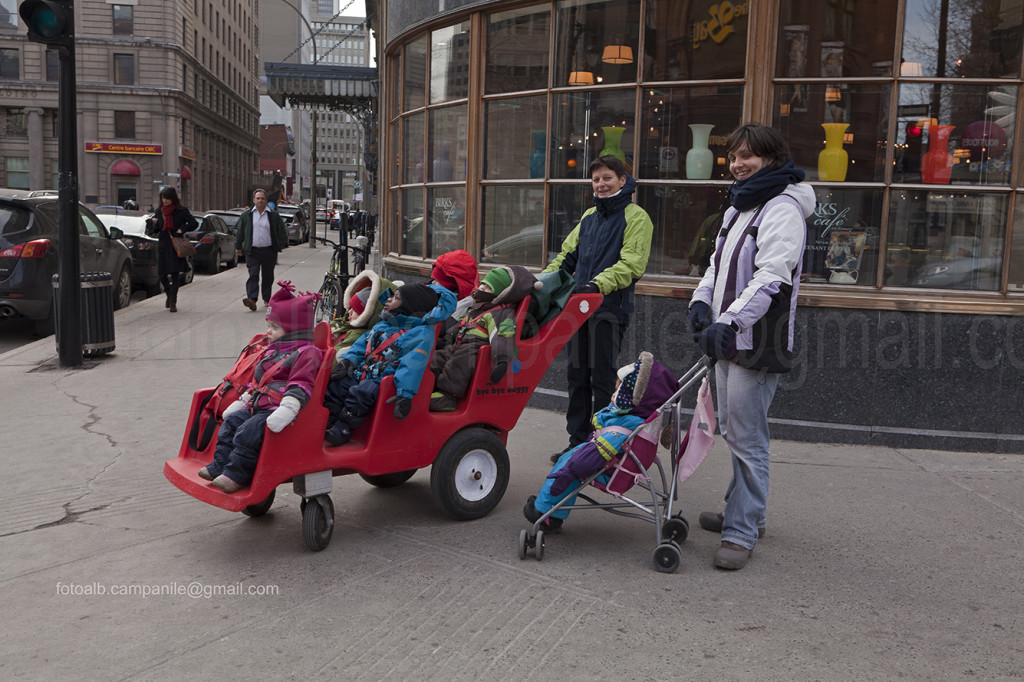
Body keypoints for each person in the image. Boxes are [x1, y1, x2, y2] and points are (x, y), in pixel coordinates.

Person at [687, 123, 816, 570]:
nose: (738, 164)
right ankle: (745, 512)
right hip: (726, 337)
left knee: (747, 439)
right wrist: (702, 302)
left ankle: (741, 532)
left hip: (757, 341)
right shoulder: (741, 205)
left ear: (772, 158)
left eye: (749, 156)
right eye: (734, 156)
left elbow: (771, 277)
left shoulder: (782, 208)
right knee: (735, 431)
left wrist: (729, 321)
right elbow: (716, 264)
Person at [542, 155, 653, 463]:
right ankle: (577, 441)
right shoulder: (589, 216)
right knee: (577, 376)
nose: (601, 185)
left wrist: (596, 285)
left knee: (601, 378)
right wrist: (544, 283)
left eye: (607, 178)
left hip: (609, 308)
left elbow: (632, 263)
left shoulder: (636, 216)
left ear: (622, 180)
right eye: (596, 180)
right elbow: (566, 258)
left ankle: (601, 445)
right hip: (577, 309)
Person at [523, 352, 678, 530]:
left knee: (565, 469)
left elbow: (591, 457)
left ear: (628, 396)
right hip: (613, 460)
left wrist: (574, 466)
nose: (613, 395)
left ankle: (543, 511)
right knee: (568, 466)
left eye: (618, 391)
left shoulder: (623, 429)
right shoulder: (636, 419)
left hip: (606, 469)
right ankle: (555, 513)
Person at [198, 281, 323, 493]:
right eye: (269, 326)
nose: (269, 332)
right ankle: (220, 465)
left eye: (275, 327)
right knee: (232, 422)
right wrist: (243, 401)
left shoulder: (306, 353)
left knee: (249, 430)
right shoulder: (272, 351)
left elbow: (301, 383)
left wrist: (288, 409)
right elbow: (258, 381)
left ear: (293, 329)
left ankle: (236, 474)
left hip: (278, 410)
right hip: (258, 405)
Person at [323, 283, 455, 446]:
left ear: (410, 305)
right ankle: (329, 420)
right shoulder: (385, 324)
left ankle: (343, 429)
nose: (389, 299)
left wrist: (404, 395)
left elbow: (411, 367)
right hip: (362, 373)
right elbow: (362, 344)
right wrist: (348, 361)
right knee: (338, 386)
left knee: (362, 392)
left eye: (397, 298)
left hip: (383, 382)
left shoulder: (420, 333)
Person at [428, 265, 541, 411]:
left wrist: (502, 360)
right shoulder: (477, 308)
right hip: (457, 345)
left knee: (459, 363)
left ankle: (447, 397)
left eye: (488, 288)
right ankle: (425, 386)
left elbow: (503, 336)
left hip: (474, 349)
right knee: (435, 359)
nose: (481, 288)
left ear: (500, 294)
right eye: (482, 284)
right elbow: (459, 326)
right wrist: (444, 339)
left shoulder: (500, 313)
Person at [235, 188, 288, 311]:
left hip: (269, 251)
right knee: (253, 274)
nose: (260, 200)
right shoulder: (246, 215)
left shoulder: (273, 215)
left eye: (262, 198)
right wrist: (238, 247)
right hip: (252, 251)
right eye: (258, 198)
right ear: (254, 200)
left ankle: (267, 299)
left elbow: (281, 231)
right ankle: (252, 299)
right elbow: (240, 233)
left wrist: (279, 245)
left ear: (266, 200)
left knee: (268, 276)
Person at [145, 186, 196, 313]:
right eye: (163, 198)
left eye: (167, 198)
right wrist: (153, 224)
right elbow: (155, 231)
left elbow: (194, 223)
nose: (165, 201)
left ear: (173, 198)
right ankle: (168, 292)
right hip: (163, 244)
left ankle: (173, 300)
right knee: (162, 274)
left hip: (175, 245)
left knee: (174, 273)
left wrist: (182, 229)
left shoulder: (181, 210)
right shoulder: (159, 211)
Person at [329, 269, 401, 353]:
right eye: (350, 308)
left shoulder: (357, 336)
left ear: (365, 314)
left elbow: (332, 357)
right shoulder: (347, 324)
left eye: (355, 309)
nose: (349, 311)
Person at [430, 249, 480, 326]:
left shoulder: (463, 305)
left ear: (449, 285)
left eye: (436, 280)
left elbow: (441, 329)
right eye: (433, 279)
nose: (432, 282)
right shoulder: (440, 295)